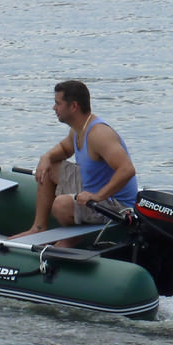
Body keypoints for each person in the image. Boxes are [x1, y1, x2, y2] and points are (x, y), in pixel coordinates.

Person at [11, 80, 138, 240]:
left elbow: (127, 170)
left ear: (73, 106)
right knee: (50, 167)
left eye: (58, 103)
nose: (54, 108)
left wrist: (98, 196)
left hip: (117, 206)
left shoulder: (99, 134)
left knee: (61, 205)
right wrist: (46, 157)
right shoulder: (78, 130)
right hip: (91, 187)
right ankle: (39, 228)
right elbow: (64, 149)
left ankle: (71, 240)